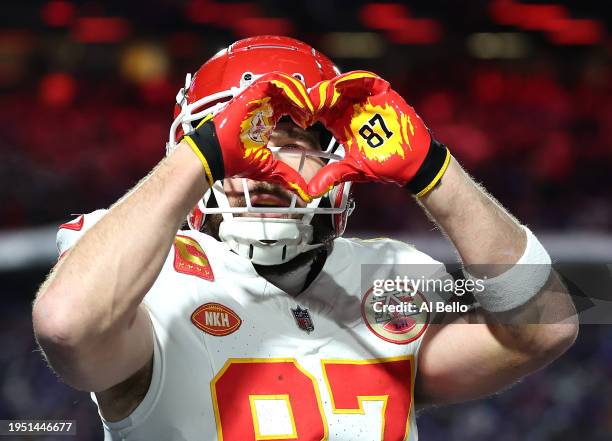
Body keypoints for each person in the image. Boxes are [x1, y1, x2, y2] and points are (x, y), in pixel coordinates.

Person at [33, 36, 578, 441]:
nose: (268, 160)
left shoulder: (386, 273)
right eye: (245, 136)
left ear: (336, 155)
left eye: (295, 136)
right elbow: (67, 327)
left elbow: (548, 327)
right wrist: (200, 159)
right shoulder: (152, 272)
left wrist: (436, 173)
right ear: (196, 151)